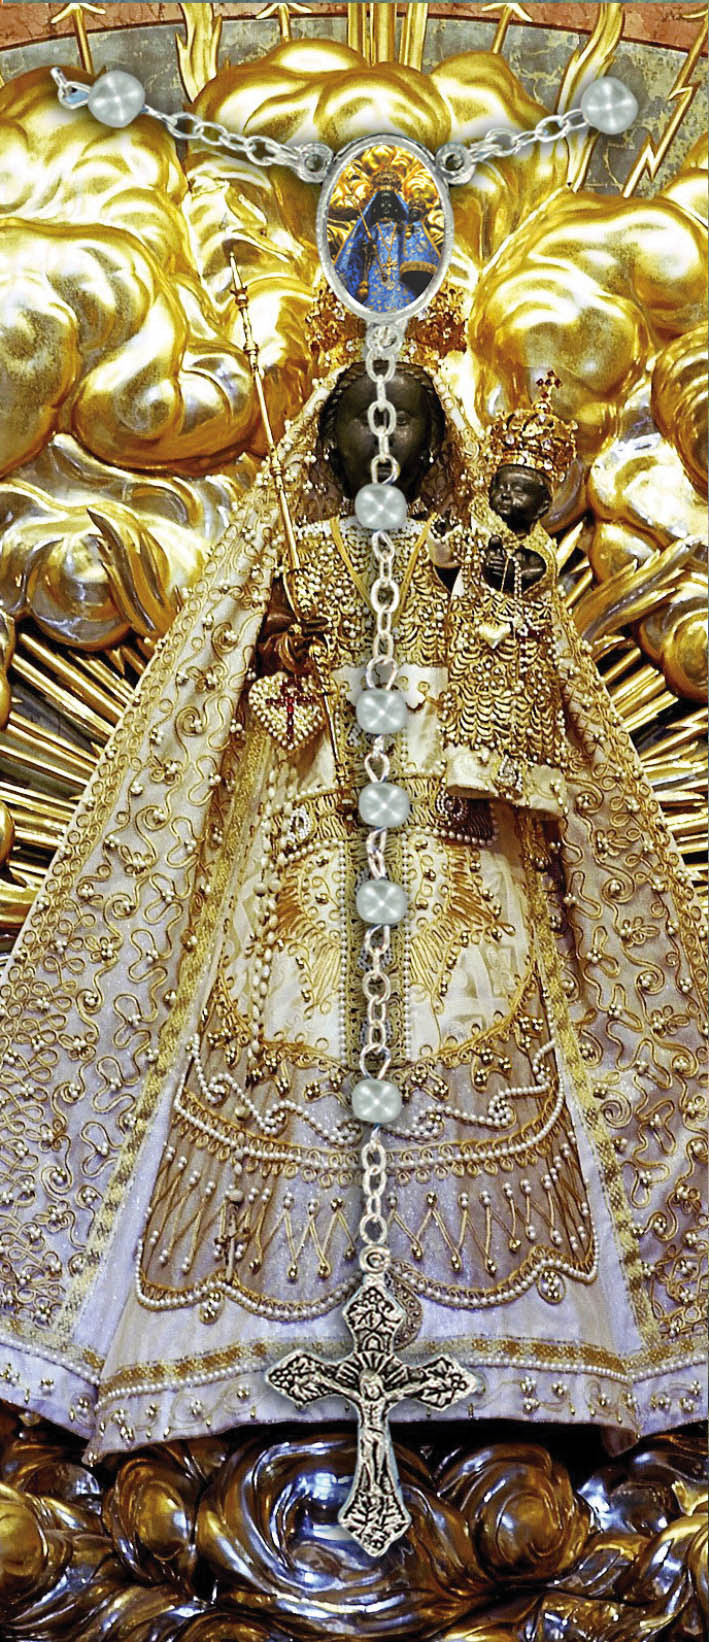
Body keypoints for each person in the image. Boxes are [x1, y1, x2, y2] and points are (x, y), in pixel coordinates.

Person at [0, 352, 704, 1462]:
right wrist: (291, 662)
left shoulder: (472, 553)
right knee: (298, 1048)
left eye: (406, 417)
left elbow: (528, 704)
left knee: (468, 1040)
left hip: (455, 841)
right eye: (361, 417)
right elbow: (236, 705)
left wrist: (498, 610)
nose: (383, 436)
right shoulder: (289, 553)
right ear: (324, 442)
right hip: (311, 845)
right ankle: (258, 1345)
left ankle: (504, 1351)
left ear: (438, 441)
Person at [333, 173, 440, 313]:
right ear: (375, 207)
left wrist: (410, 230)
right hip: (375, 276)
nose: (385, 205)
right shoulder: (372, 230)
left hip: (399, 278)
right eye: (382, 202)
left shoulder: (402, 228)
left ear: (396, 206)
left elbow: (414, 246)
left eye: (389, 201)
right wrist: (367, 248)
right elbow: (359, 254)